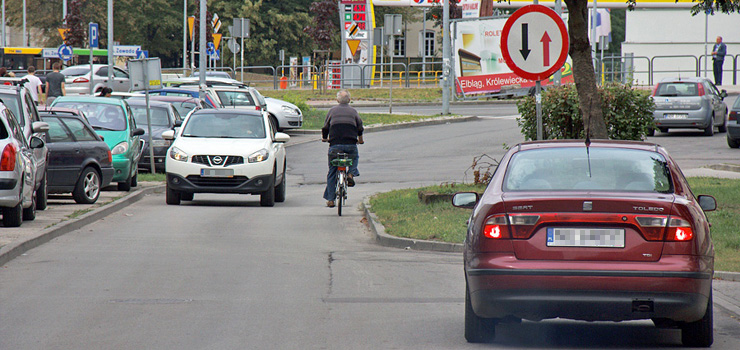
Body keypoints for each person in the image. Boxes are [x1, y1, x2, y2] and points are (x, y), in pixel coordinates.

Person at [322, 90, 364, 208]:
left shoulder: (332, 111)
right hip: (350, 144)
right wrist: (360, 140)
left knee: (332, 171)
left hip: (335, 145)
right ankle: (351, 173)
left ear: (337, 100)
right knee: (354, 157)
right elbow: (360, 127)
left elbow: (325, 127)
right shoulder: (354, 112)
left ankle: (330, 200)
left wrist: (324, 138)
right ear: (349, 100)